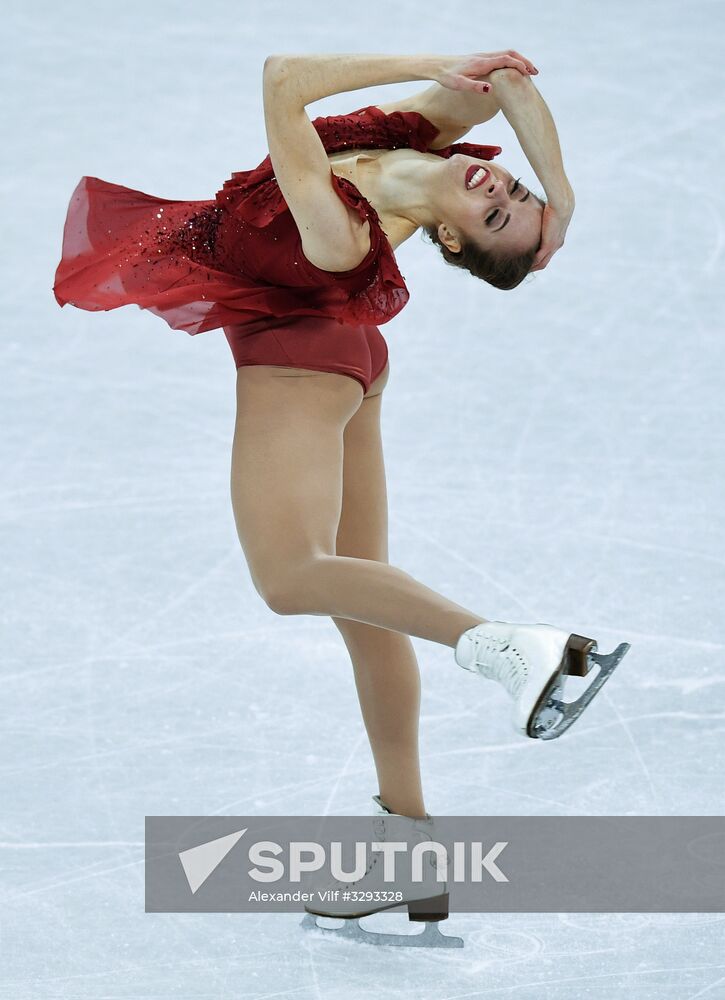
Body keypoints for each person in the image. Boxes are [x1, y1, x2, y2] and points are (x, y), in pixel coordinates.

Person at [53, 52, 627, 836]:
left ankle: (506, 646)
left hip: (302, 362)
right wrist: (561, 200)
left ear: (449, 240)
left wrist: (431, 66)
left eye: (494, 216)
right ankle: (406, 836)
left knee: (289, 577)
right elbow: (505, 83)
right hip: (351, 357)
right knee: (365, 606)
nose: (497, 190)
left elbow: (282, 81)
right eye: (513, 190)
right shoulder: (409, 141)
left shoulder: (342, 235)